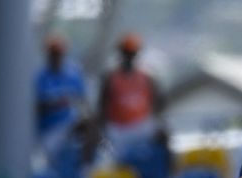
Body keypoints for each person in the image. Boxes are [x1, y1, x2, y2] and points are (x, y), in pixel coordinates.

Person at [98, 33, 164, 161]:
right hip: (118, 128)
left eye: (132, 53)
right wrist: (102, 133)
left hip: (141, 126)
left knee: (162, 136)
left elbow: (158, 103)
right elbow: (101, 108)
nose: (129, 57)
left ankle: (169, 176)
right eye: (126, 53)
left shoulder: (147, 77)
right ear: (121, 54)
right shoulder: (110, 78)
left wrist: (156, 121)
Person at [35, 34, 87, 160]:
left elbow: (83, 101)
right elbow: (37, 107)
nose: (56, 57)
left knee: (89, 125)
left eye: (58, 53)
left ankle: (88, 166)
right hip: (49, 129)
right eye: (53, 53)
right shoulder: (40, 77)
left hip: (69, 124)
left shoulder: (73, 74)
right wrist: (57, 102)